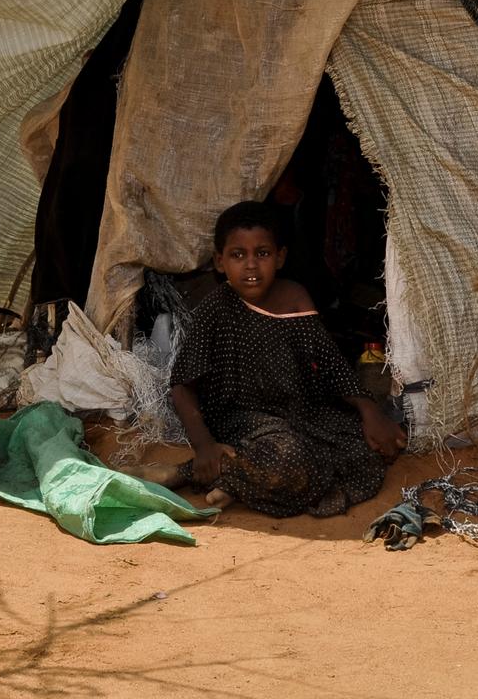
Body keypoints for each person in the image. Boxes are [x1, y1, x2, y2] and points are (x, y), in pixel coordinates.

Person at [157, 200, 405, 517]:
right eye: (237, 255)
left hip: (300, 414)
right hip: (242, 420)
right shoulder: (215, 309)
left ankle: (236, 482)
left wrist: (369, 409)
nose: (250, 265)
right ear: (220, 262)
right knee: (289, 459)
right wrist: (204, 445)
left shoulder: (295, 298)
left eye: (262, 253)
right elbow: (182, 385)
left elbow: (330, 365)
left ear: (280, 257)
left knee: (369, 450)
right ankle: (187, 472)